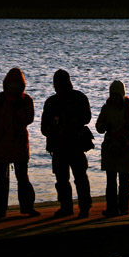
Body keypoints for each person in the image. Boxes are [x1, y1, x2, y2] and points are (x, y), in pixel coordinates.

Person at [0, 67, 40, 219]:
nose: (13, 89)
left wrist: (17, 106)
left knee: (23, 178)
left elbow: (28, 119)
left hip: (19, 145)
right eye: (11, 86)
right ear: (6, 85)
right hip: (0, 145)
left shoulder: (26, 100)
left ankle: (28, 207)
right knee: (1, 180)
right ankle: (0, 211)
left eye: (16, 86)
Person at [41, 69, 93, 218]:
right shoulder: (78, 97)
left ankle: (71, 207)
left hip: (69, 144)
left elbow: (44, 128)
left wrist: (63, 125)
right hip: (66, 145)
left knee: (68, 178)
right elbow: (87, 118)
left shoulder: (53, 102)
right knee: (73, 178)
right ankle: (79, 207)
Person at [95, 80, 129, 217]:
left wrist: (127, 138)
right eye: (113, 95)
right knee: (110, 182)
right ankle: (111, 208)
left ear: (122, 95)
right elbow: (99, 125)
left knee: (124, 182)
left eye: (117, 95)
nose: (115, 97)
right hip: (110, 148)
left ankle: (123, 208)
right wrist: (102, 127)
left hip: (125, 149)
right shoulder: (106, 108)